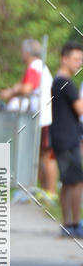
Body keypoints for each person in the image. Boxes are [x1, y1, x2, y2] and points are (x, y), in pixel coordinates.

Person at [0, 39, 56, 195]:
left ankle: (50, 192)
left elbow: (27, 88)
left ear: (27, 52)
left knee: (45, 156)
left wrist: (11, 92)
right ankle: (43, 191)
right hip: (43, 117)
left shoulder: (35, 66)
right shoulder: (39, 66)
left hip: (43, 118)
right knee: (40, 156)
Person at [50, 42, 83, 237]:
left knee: (67, 182)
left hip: (61, 137)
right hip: (68, 138)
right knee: (77, 182)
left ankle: (68, 223)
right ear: (64, 59)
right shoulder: (66, 83)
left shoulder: (57, 81)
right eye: (76, 59)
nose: (79, 63)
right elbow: (80, 109)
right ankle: (74, 224)